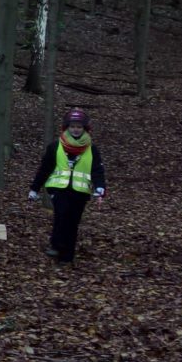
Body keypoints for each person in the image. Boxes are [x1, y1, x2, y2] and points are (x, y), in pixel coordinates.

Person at [28, 107, 106, 263]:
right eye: (72, 126)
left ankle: (67, 257)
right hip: (59, 189)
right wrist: (34, 189)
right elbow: (44, 169)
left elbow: (97, 170)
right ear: (66, 128)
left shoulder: (92, 149)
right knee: (61, 215)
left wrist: (100, 188)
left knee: (73, 222)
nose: (75, 130)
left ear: (85, 129)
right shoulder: (55, 146)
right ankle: (56, 246)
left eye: (79, 127)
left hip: (80, 191)